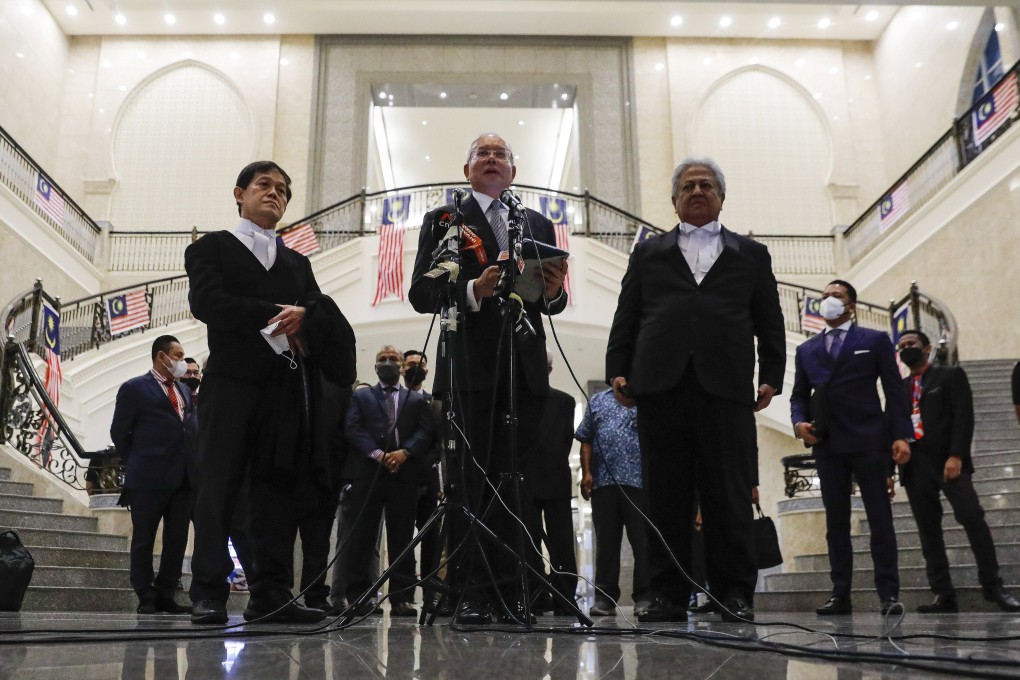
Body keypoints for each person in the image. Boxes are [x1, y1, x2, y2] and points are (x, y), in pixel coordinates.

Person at [605, 157, 785, 623]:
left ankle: (735, 593)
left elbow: (770, 321)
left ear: (721, 197)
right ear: (674, 200)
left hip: (725, 387)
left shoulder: (752, 254)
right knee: (666, 496)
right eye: (689, 186)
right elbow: (627, 315)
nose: (698, 190)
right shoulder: (647, 253)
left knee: (728, 495)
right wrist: (616, 369)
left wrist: (771, 374)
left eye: (707, 185)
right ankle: (667, 594)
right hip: (660, 386)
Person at [408, 132, 568, 625]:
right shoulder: (444, 221)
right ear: (468, 168)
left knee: (513, 480)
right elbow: (420, 292)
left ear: (513, 172)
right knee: (470, 481)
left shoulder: (536, 222)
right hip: (469, 367)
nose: (493, 159)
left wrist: (555, 292)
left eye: (502, 154)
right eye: (483, 153)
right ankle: (470, 591)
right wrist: (471, 290)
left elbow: (550, 302)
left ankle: (515, 587)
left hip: (522, 367)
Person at [185, 160, 353, 625]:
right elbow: (208, 303)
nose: (275, 194)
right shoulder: (211, 248)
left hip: (283, 393)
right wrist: (281, 314)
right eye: (264, 185)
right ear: (239, 193)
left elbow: (315, 309)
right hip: (231, 386)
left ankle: (272, 594)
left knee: (276, 493)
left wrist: (310, 317)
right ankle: (208, 592)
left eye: (283, 189)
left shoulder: (298, 262)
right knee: (218, 486)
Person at [790, 279, 912, 616]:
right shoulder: (806, 350)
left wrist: (901, 435)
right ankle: (840, 594)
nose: (829, 300)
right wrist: (799, 422)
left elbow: (894, 390)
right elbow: (799, 396)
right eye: (825, 296)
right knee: (836, 523)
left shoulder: (873, 341)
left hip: (869, 441)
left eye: (837, 296)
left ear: (851, 305)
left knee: (880, 520)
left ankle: (888, 594)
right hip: (828, 445)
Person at [896, 330, 1020, 613]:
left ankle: (993, 586)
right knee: (929, 532)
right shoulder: (899, 388)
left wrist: (956, 455)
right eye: (901, 346)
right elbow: (894, 427)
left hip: (947, 461)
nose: (906, 349)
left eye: (911, 344)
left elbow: (964, 416)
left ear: (926, 349)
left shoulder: (950, 376)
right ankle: (943, 594)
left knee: (973, 519)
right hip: (915, 466)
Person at [342, 345, 432, 617]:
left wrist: (404, 453)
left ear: (403, 366)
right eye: (382, 359)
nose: (388, 363)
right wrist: (379, 454)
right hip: (368, 475)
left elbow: (425, 432)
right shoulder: (362, 396)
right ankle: (359, 597)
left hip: (402, 476)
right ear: (375, 366)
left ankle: (401, 598)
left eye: (393, 359)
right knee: (362, 539)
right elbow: (353, 428)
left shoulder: (416, 400)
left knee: (402, 538)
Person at [110, 335, 195, 615]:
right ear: (162, 356)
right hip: (147, 477)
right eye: (178, 355)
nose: (182, 361)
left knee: (177, 539)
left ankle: (165, 592)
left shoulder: (182, 391)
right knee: (144, 537)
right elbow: (119, 432)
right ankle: (145, 593)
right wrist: (137, 461)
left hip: (182, 479)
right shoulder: (135, 388)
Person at [575, 388, 649, 617]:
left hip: (640, 484)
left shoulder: (646, 400)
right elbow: (585, 439)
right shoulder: (597, 401)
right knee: (606, 545)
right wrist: (586, 474)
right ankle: (605, 599)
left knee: (643, 543)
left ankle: (646, 597)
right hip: (604, 484)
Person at [530, 350, 578, 613]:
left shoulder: (566, 401)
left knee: (561, 541)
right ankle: (535, 595)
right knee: (529, 541)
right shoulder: (519, 399)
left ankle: (564, 596)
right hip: (529, 480)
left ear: (549, 369)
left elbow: (565, 440)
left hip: (556, 478)